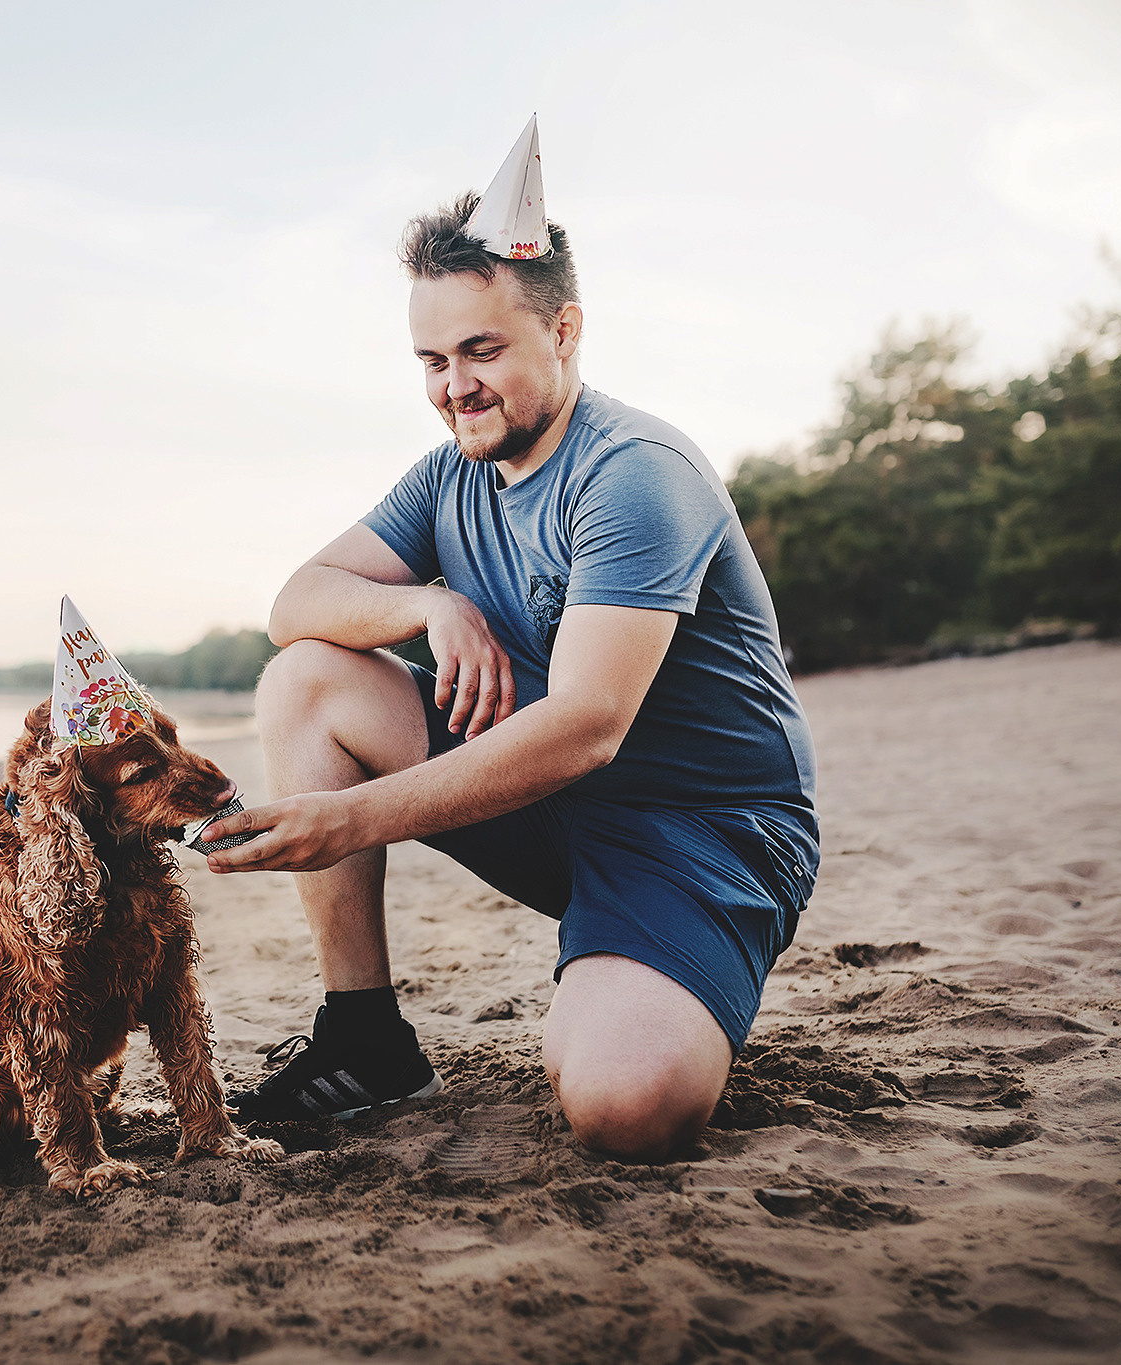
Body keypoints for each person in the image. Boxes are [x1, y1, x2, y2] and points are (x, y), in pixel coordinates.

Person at [196, 126, 819, 1164]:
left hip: (703, 833)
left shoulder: (633, 472)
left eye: (481, 351)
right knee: (306, 678)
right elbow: (295, 602)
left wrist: (342, 820)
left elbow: (586, 726)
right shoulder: (448, 475)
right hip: (551, 806)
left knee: (626, 1108)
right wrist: (429, 608)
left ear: (563, 330)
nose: (454, 386)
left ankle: (643, 980)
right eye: (432, 361)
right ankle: (364, 1038)